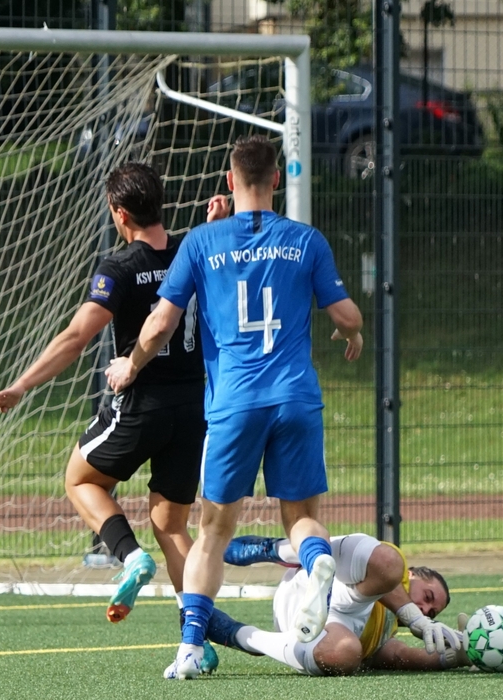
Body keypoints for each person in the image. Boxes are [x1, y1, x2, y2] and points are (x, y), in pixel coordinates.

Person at [105, 135, 365, 679]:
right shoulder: (305, 240)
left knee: (214, 533)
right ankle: (318, 563)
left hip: (234, 404)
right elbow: (346, 314)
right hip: (295, 398)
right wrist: (353, 333)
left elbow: (161, 323)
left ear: (229, 180)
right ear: (276, 180)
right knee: (302, 518)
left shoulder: (202, 242)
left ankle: (189, 647)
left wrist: (131, 363)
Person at [0, 162, 225, 670]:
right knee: (171, 523)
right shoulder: (194, 250)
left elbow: (77, 337)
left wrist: (22, 385)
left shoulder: (118, 268)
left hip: (140, 404)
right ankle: (195, 637)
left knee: (79, 478)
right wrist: (216, 225)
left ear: (119, 214)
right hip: (193, 407)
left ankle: (130, 557)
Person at [204, 534, 470, 676]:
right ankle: (276, 549)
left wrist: (458, 656)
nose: (425, 609)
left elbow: (402, 657)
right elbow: (387, 578)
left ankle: (238, 635)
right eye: (428, 597)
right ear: (411, 575)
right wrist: (415, 617)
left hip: (309, 625)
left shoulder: (384, 636)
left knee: (345, 654)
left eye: (431, 612)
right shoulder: (397, 574)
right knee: (387, 562)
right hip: (328, 581)